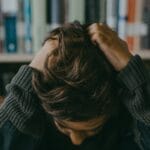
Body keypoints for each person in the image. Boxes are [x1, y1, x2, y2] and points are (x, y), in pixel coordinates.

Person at [0, 22, 150, 150]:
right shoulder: (37, 113)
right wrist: (32, 71)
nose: (76, 140)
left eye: (92, 129)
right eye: (63, 127)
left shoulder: (127, 119)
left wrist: (132, 71)